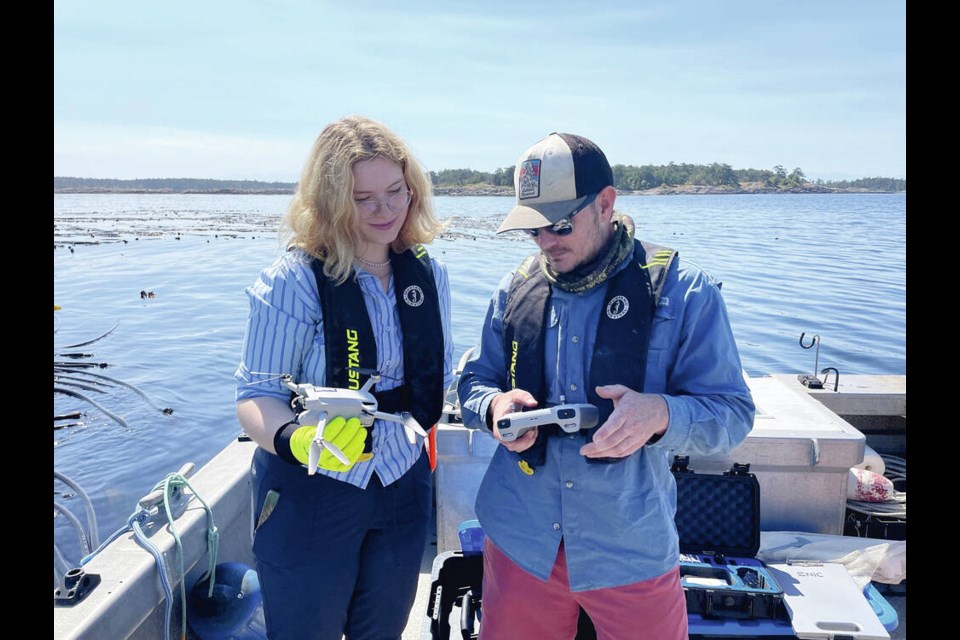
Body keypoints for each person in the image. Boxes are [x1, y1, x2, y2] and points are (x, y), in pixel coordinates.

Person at [457, 132, 756, 639]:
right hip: (520, 542)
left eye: (559, 224)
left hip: (631, 549)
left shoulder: (685, 293)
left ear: (605, 204)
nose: (547, 242)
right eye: (533, 230)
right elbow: (471, 381)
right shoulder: (513, 289)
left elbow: (732, 414)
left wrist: (661, 415)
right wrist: (492, 407)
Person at [234, 115, 453, 640]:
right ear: (331, 201)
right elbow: (255, 396)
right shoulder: (292, 280)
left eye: (396, 191)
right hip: (314, 487)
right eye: (363, 198)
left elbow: (436, 379)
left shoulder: (430, 275)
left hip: (403, 480)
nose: (386, 210)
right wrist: (296, 437)